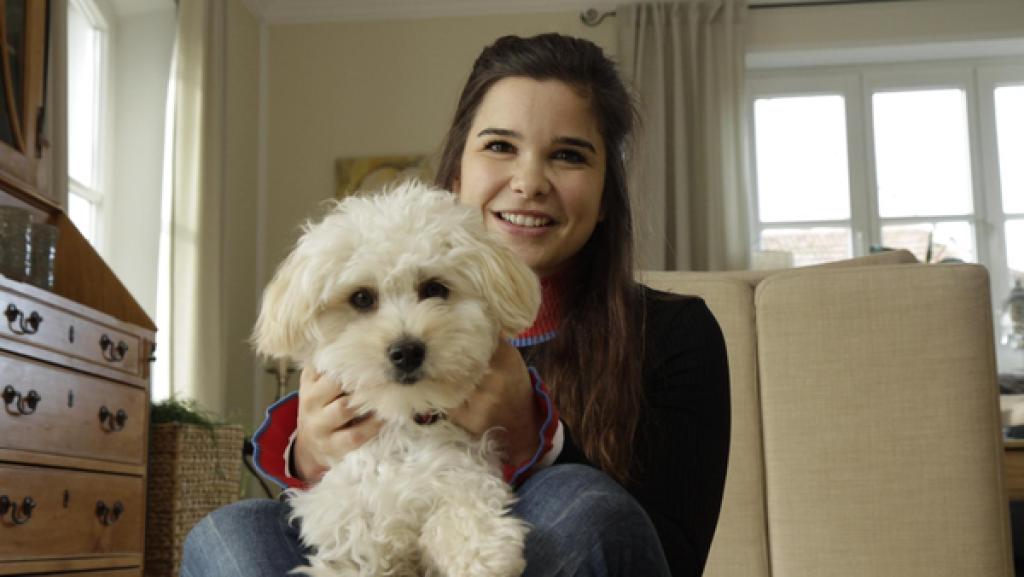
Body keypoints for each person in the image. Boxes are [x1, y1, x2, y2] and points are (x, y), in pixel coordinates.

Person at [182, 33, 730, 577]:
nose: (529, 182)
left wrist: (535, 440)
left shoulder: (676, 333)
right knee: (229, 533)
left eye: (567, 155)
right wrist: (311, 456)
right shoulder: (355, 342)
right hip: (369, 532)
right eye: (499, 146)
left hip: (527, 547)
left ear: (608, 191)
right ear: (456, 173)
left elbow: (660, 554)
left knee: (579, 498)